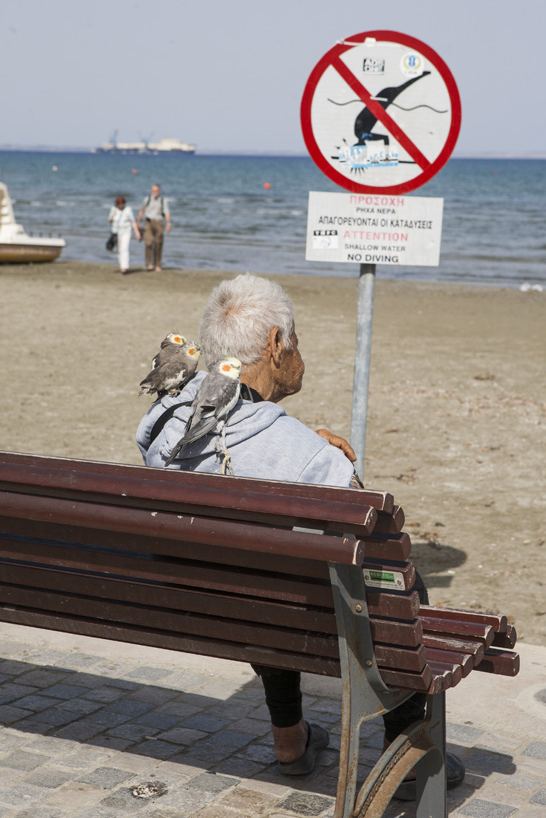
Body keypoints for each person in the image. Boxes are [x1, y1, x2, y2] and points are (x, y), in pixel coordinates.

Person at [136, 273, 464, 794]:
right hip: (277, 604)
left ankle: (290, 739)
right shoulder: (308, 456)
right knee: (401, 586)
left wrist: (302, 439)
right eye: (295, 339)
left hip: (212, 601)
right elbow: (374, 538)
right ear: (274, 344)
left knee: (263, 573)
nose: (298, 350)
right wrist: (318, 455)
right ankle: (402, 751)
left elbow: (233, 447)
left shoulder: (163, 420)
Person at [136, 183, 171, 272]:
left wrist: (168, 223)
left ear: (159, 191)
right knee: (148, 243)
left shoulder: (163, 200)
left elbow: (166, 212)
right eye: (153, 191)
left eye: (156, 191)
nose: (154, 192)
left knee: (158, 244)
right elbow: (142, 210)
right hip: (148, 222)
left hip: (159, 222)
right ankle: (149, 264)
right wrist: (138, 222)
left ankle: (157, 264)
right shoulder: (147, 199)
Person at [108, 196, 140, 274]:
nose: (120, 205)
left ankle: (124, 267)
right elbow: (109, 220)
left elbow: (133, 221)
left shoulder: (128, 210)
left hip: (126, 231)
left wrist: (137, 233)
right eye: (118, 203)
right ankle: (121, 264)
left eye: (122, 203)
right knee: (119, 250)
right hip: (116, 232)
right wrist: (113, 215)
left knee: (124, 248)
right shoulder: (113, 209)